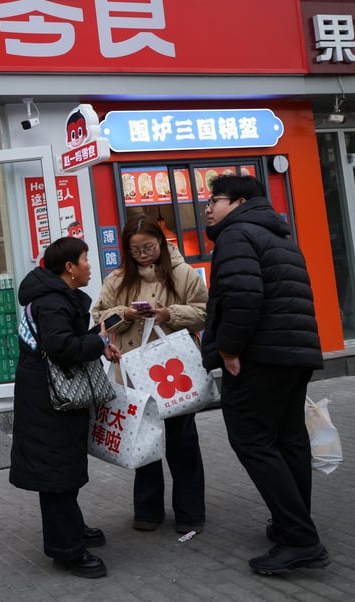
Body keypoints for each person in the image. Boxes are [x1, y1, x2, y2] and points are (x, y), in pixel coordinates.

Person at [201, 175, 328, 575]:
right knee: (289, 440)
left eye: (214, 200)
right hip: (293, 354)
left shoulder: (236, 236)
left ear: (238, 202)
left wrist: (229, 348)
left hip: (260, 357)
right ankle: (293, 525)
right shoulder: (278, 236)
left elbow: (243, 296)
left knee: (252, 440)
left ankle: (301, 540)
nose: (208, 207)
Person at [10, 237, 121, 579]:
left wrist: (99, 341)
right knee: (55, 473)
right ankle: (67, 550)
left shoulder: (54, 297)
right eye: (85, 260)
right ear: (70, 268)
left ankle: (70, 530)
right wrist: (98, 342)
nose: (89, 266)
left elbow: (64, 340)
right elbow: (61, 346)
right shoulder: (53, 301)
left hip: (50, 396)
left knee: (62, 468)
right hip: (48, 399)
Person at [92, 215, 208, 534]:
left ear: (161, 243)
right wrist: (124, 314)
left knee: (183, 444)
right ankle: (147, 511)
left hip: (176, 373)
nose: (143, 255)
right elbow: (98, 319)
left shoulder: (182, 274)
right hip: (134, 373)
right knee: (143, 442)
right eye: (135, 250)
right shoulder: (117, 279)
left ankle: (190, 513)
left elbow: (205, 311)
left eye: (149, 247)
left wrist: (170, 313)